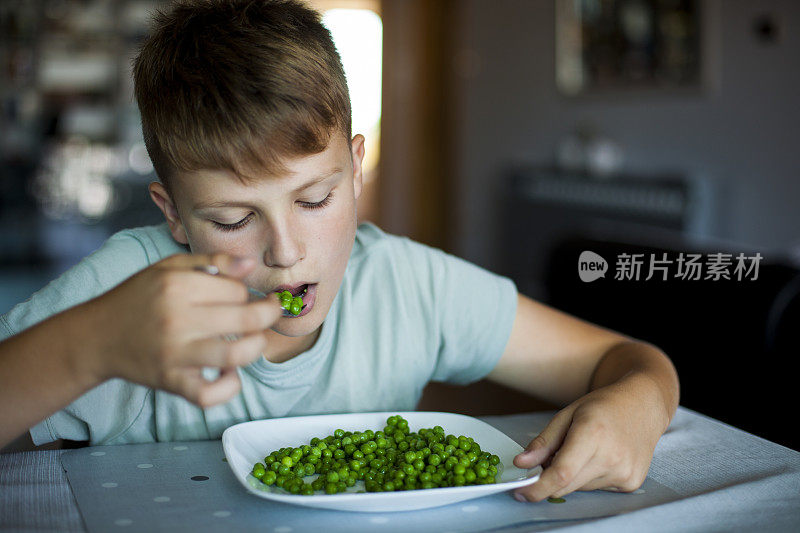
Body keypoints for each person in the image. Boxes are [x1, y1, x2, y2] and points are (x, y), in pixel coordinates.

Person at [0, 0, 678, 503]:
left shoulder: (410, 287)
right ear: (173, 213)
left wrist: (639, 402)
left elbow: (632, 361)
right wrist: (87, 347)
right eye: (234, 219)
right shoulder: (128, 293)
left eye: (315, 200)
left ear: (355, 170)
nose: (287, 251)